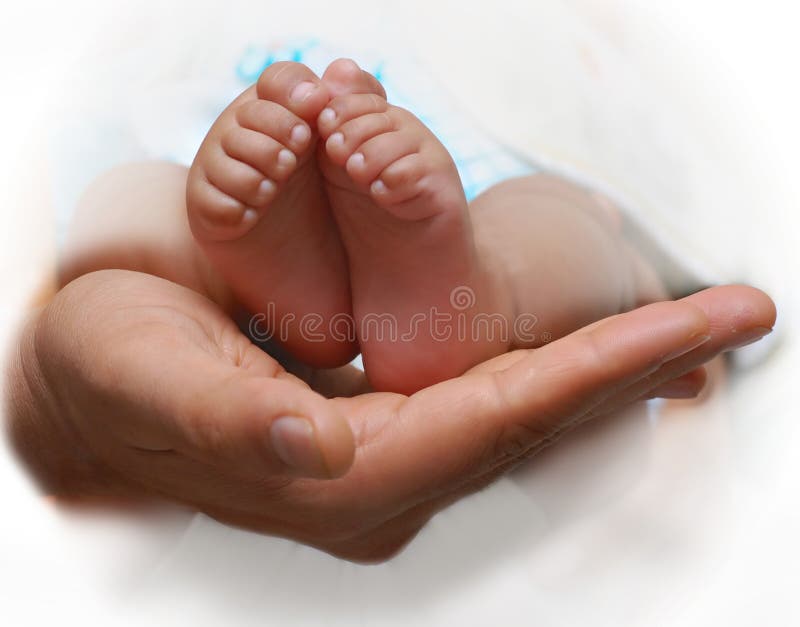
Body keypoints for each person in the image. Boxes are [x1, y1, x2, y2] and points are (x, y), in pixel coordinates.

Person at [3, 61, 776, 563]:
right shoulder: (567, 139)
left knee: (127, 209)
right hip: (468, 172)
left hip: (197, 135)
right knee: (563, 224)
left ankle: (240, 278)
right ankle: (482, 300)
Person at [187, 58, 667, 394]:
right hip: (474, 201)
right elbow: (675, 323)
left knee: (156, 204)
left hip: (475, 191)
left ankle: (469, 301)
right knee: (569, 213)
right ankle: (478, 299)